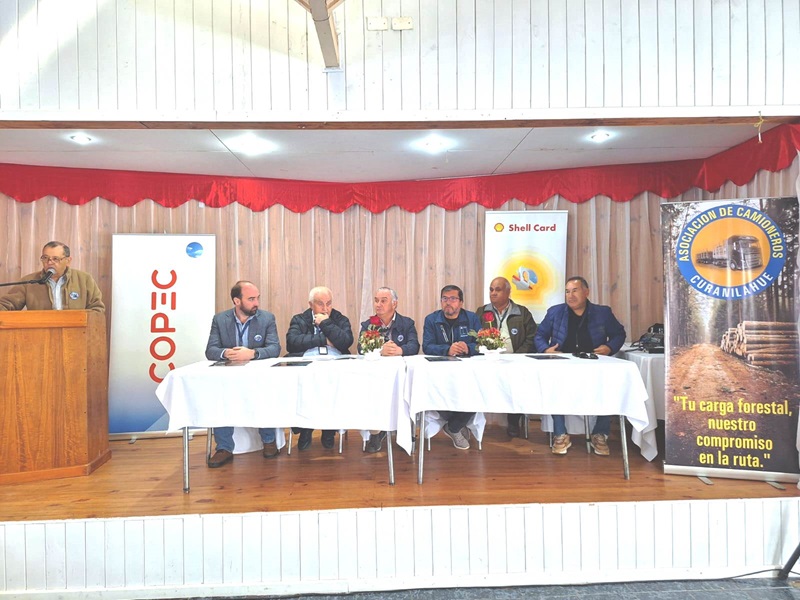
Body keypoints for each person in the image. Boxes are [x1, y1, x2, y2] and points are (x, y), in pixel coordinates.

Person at [534, 276, 626, 456]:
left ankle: (600, 434)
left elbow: (619, 334)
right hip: (563, 364)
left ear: (586, 292)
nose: (570, 296)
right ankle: (560, 434)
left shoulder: (603, 313)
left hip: (594, 364)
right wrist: (545, 349)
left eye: (575, 291)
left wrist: (609, 347)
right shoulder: (555, 312)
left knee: (609, 387)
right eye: (567, 292)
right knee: (553, 387)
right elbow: (539, 336)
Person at [204, 280, 282, 467]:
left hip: (257, 376)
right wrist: (226, 353)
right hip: (229, 376)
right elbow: (210, 350)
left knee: (264, 394)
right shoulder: (220, 320)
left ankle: (269, 441)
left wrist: (253, 353)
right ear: (237, 301)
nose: (256, 303)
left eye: (257, 298)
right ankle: (224, 448)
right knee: (219, 397)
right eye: (251, 299)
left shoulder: (267, 318)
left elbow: (275, 348)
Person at [286, 286, 354, 450]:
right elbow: (292, 343)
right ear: (311, 305)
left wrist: (325, 323)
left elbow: (346, 342)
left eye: (329, 303)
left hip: (334, 362)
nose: (325, 308)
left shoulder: (339, 319)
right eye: (320, 304)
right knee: (305, 383)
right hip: (307, 362)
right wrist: (324, 340)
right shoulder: (299, 319)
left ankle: (329, 429)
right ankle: (305, 428)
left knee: (333, 382)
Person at [358, 287, 420, 453]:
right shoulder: (368, 324)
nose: (378, 304)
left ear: (394, 304)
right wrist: (379, 350)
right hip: (376, 376)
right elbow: (360, 348)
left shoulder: (407, 323)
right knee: (372, 394)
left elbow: (414, 346)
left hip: (400, 375)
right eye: (376, 300)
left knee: (407, 392)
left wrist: (400, 350)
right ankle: (376, 432)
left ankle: (405, 432)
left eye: (383, 301)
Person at [474, 276, 537, 437]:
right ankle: (474, 422)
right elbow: (474, 336)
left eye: (498, 289)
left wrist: (517, 357)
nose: (493, 293)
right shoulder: (482, 312)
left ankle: (514, 421)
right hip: (488, 361)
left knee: (517, 386)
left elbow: (532, 337)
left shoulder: (522, 312)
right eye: (491, 289)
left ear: (508, 292)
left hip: (515, 361)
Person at [421, 284, 482, 450]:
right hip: (440, 374)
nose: (448, 302)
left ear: (461, 302)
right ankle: (456, 425)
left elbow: (482, 344)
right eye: (445, 299)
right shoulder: (431, 319)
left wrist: (468, 348)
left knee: (479, 392)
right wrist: (447, 350)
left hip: (468, 374)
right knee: (435, 394)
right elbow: (427, 346)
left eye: (453, 299)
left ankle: (453, 427)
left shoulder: (472, 319)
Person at [0, 241, 104, 312]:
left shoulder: (84, 280)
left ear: (68, 261)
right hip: (40, 335)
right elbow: (6, 305)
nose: (49, 262)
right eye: (45, 258)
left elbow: (97, 309)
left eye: (55, 259)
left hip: (75, 334)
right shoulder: (29, 281)